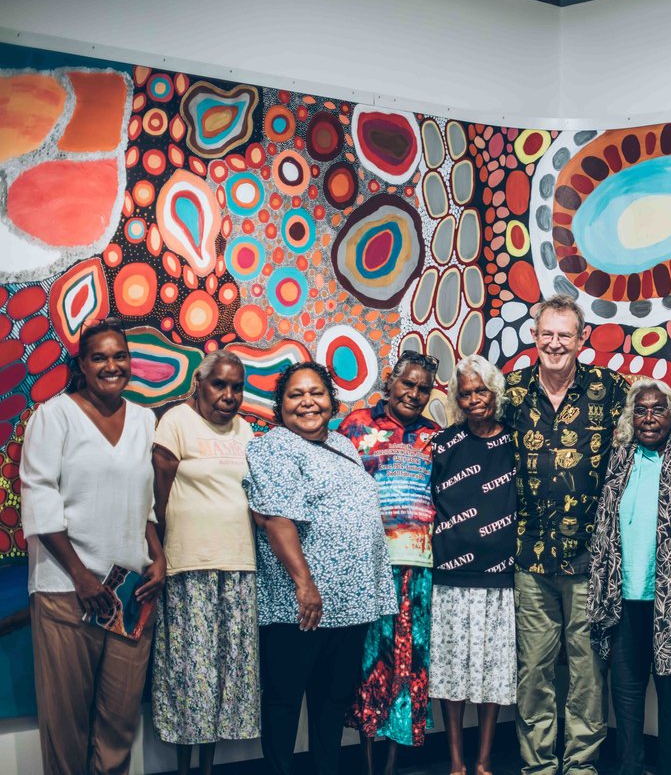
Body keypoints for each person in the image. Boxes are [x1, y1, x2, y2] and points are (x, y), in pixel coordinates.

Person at [20, 317, 166, 774]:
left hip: (128, 593)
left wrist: (159, 557)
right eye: (99, 357)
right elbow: (39, 496)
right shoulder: (54, 415)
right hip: (66, 590)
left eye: (119, 356)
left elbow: (145, 506)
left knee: (119, 723)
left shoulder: (145, 420)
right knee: (67, 725)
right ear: (81, 365)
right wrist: (80, 575)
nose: (111, 365)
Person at [244, 361, 398, 775]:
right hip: (302, 604)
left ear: (331, 401)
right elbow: (276, 518)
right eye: (296, 395)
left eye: (316, 392)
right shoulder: (273, 445)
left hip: (348, 605)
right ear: (280, 405)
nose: (308, 402)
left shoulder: (341, 444)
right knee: (284, 702)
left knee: (330, 706)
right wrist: (305, 584)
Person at [505, 294, 629, 775]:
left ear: (582, 340)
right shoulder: (510, 392)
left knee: (586, 671)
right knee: (533, 670)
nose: (555, 343)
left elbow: (664, 417)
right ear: (535, 337)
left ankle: (580, 764)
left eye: (565, 335)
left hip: (588, 558)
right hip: (529, 557)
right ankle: (537, 765)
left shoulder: (610, 388)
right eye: (547, 334)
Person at [588, 379, 671, 775]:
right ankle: (630, 767)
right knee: (626, 692)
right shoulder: (620, 455)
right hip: (622, 593)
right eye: (640, 410)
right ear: (631, 417)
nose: (648, 418)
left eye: (657, 409)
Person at [151, 350, 259, 775]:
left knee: (225, 672)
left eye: (237, 386)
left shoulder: (246, 430)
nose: (229, 395)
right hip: (190, 564)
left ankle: (209, 769)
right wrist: (159, 550)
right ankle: (184, 770)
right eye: (220, 384)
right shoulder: (177, 421)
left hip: (240, 564)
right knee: (191, 672)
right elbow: (158, 495)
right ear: (200, 383)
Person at [339, 350, 441, 775]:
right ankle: (365, 765)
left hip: (418, 565)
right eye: (408, 384)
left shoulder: (435, 435)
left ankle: (391, 767)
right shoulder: (354, 425)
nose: (414, 394)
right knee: (370, 665)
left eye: (423, 388)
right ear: (390, 381)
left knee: (408, 665)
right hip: (368, 564)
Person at [428, 355, 518, 775]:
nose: (473, 399)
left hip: (500, 578)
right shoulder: (444, 444)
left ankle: (483, 762)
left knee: (493, 673)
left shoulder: (514, 443)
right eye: (465, 393)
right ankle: (456, 763)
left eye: (480, 390)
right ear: (457, 399)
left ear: (494, 393)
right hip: (450, 576)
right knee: (450, 673)